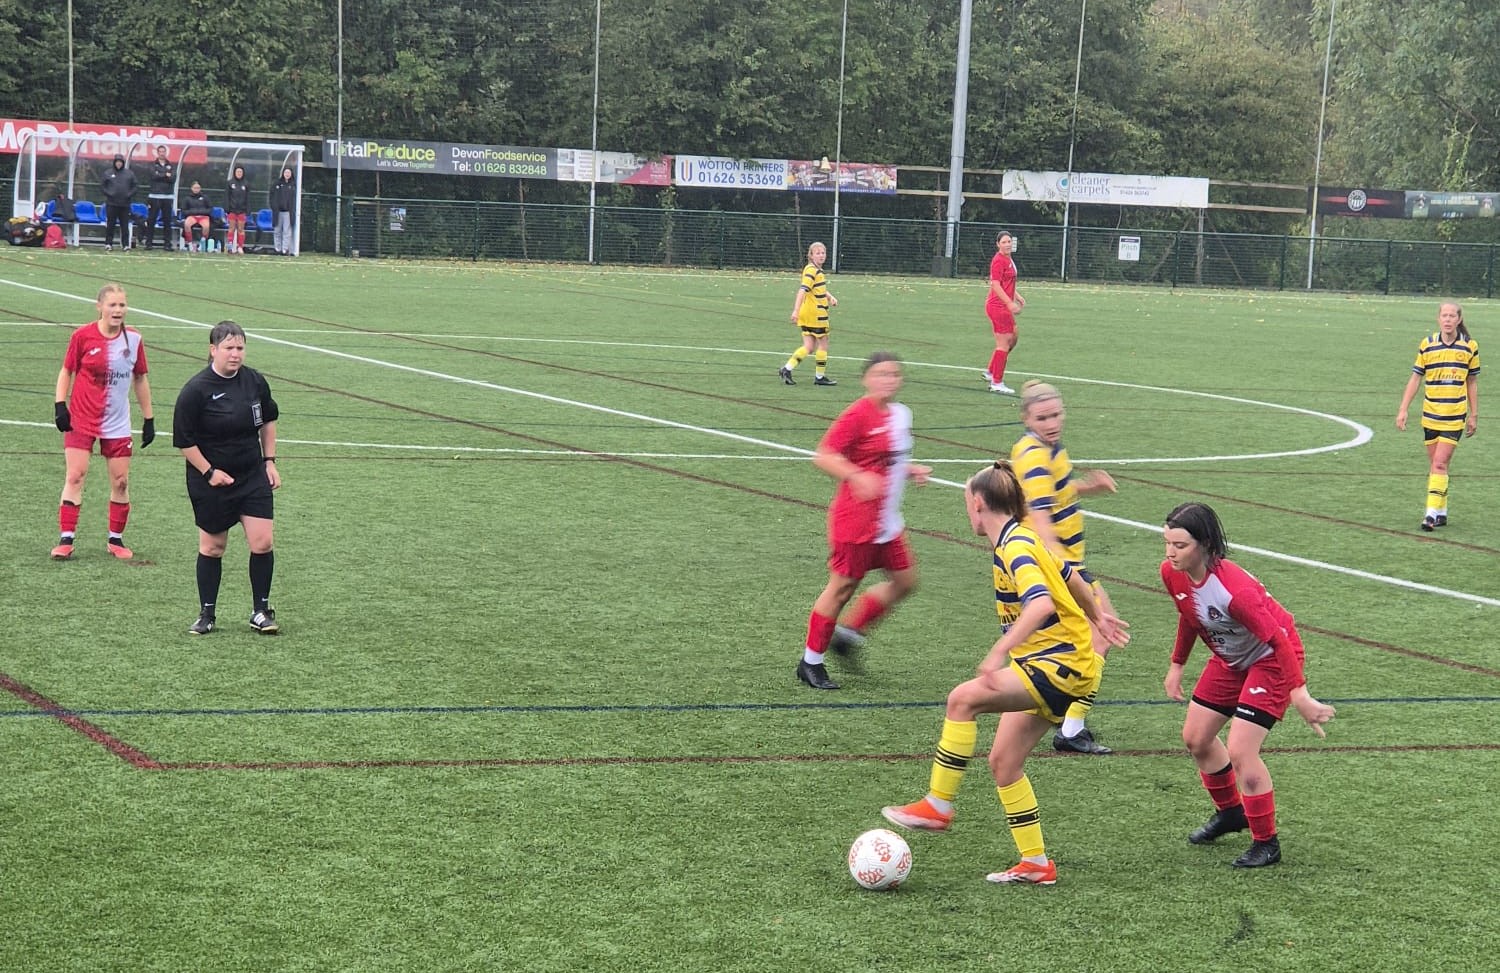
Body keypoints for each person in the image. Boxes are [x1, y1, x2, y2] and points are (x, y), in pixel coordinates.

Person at [880, 461, 1129, 885]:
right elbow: (1070, 577)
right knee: (1004, 762)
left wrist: (998, 651)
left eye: (966, 504)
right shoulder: (1024, 536)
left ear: (978, 503)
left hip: (1060, 663)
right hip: (1062, 661)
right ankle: (1036, 864)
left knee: (963, 698)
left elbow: (1041, 604)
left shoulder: (1014, 546)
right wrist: (1098, 616)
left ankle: (938, 804)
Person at [1160, 501, 1336, 869]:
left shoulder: (1235, 592)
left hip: (1271, 659)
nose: (1171, 553)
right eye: (1167, 543)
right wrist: (1177, 665)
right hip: (1231, 657)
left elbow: (1279, 640)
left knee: (1241, 750)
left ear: (1205, 544)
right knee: (1196, 738)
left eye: (1180, 546)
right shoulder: (1171, 573)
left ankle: (1266, 843)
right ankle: (1231, 814)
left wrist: (1298, 693)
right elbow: (1190, 615)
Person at [795, 351, 930, 690]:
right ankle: (811, 662)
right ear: (866, 379)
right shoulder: (857, 414)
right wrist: (856, 476)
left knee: (905, 581)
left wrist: (908, 469)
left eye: (895, 374)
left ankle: (848, 636)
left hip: (887, 521)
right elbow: (824, 455)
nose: (888, 379)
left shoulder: (901, 414)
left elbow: (890, 458)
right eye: (881, 374)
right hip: (855, 521)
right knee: (841, 588)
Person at [1009, 380, 1120, 755]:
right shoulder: (1033, 456)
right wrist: (1064, 571)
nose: (1051, 422)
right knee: (1101, 634)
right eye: (1042, 417)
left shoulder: (1046, 448)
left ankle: (1064, 719)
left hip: (1065, 563)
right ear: (1026, 418)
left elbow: (1054, 492)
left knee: (1077, 640)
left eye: (1056, 414)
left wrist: (1088, 488)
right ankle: (1070, 728)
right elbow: (1040, 515)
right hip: (1059, 564)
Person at [172, 321, 282, 635]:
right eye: (229, 348)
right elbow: (184, 441)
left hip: (251, 475)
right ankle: (207, 614)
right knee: (213, 548)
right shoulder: (196, 390)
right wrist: (209, 472)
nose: (235, 354)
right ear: (213, 350)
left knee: (262, 542)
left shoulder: (255, 382)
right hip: (210, 480)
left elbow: (269, 420)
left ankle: (261, 611)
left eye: (240, 348)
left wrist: (269, 462)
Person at [51, 283, 155, 560]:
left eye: (122, 305)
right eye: (112, 305)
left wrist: (149, 418)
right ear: (100, 307)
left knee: (120, 481)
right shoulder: (82, 336)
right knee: (75, 475)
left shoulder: (133, 340)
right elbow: (66, 370)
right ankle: (66, 538)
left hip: (117, 422)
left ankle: (115, 540)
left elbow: (141, 378)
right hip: (81, 418)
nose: (118, 310)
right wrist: (60, 405)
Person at [1395, 301, 1479, 530]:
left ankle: (1430, 514)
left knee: (1440, 464)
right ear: (1438, 319)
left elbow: (1472, 382)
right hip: (1430, 415)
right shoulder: (1427, 345)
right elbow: (1415, 378)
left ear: (1459, 319)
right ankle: (1441, 511)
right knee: (1436, 464)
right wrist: (1403, 409)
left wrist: (1474, 415)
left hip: (1454, 415)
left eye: (1453, 315)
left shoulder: (1469, 347)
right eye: (1445, 315)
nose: (1448, 319)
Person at [779, 242, 839, 386]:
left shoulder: (811, 269)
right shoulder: (813, 271)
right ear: (811, 255)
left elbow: (817, 288)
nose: (821, 255)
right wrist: (795, 309)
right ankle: (819, 377)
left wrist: (829, 296)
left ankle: (787, 369)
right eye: (817, 253)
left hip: (807, 314)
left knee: (809, 346)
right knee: (823, 344)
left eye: (823, 252)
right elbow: (803, 290)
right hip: (816, 314)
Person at [983, 231, 1024, 394]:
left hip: (1003, 306)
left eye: (1009, 241)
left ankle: (991, 371)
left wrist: (1017, 296)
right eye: (1004, 242)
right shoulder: (998, 260)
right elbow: (996, 285)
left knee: (1013, 338)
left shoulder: (1008, 259)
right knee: (1004, 343)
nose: (1007, 244)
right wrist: (1009, 302)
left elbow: (1008, 283)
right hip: (998, 306)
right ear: (998, 244)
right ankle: (996, 382)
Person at [100, 154, 136, 251]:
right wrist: (109, 194)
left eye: (120, 162)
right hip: (111, 204)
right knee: (110, 224)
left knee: (124, 225)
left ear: (123, 163)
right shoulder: (108, 173)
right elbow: (102, 186)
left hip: (125, 204)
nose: (119, 163)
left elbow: (135, 186)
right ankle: (108, 243)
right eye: (117, 162)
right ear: (114, 162)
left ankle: (125, 245)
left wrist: (129, 195)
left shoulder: (129, 174)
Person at [144, 144, 176, 251]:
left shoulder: (170, 165)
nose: (162, 153)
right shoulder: (152, 165)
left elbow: (173, 178)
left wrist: (161, 175)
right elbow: (153, 176)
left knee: (167, 221)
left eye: (164, 151)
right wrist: (165, 175)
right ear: (157, 153)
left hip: (167, 197)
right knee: (151, 220)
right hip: (154, 196)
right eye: (160, 151)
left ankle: (167, 244)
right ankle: (149, 243)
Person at [270, 167, 297, 255]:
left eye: (289, 172)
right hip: (278, 212)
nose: (287, 174)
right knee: (277, 230)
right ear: (283, 173)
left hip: (288, 212)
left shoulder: (293, 185)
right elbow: (272, 196)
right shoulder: (277, 184)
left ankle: (285, 249)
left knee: (287, 231)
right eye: (286, 172)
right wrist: (274, 207)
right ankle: (277, 249)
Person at [180, 181, 214, 252]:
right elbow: (183, 210)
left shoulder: (205, 197)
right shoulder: (187, 198)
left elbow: (210, 209)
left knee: (206, 226)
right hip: (192, 216)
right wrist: (193, 212)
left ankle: (202, 244)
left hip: (203, 216)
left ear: (200, 188)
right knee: (186, 224)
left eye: (198, 188)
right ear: (191, 188)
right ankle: (189, 244)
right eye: (195, 188)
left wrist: (202, 212)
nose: (196, 189)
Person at [225, 165, 250, 254]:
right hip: (232, 210)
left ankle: (240, 247)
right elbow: (227, 196)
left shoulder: (246, 184)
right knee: (231, 228)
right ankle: (230, 247)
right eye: (237, 172)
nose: (239, 173)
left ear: (242, 173)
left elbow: (247, 198)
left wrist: (247, 209)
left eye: (240, 172)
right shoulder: (230, 183)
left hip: (242, 210)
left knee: (241, 229)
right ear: (235, 173)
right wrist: (227, 208)